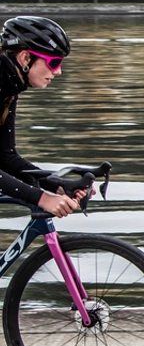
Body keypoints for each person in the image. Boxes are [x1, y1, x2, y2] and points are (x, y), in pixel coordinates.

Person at [0, 15, 83, 218]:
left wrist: (57, 185)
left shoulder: (9, 87)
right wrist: (42, 199)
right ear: (25, 58)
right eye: (54, 62)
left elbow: (5, 156)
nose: (58, 72)